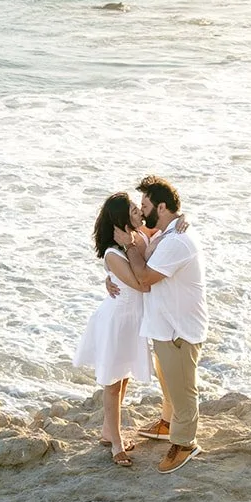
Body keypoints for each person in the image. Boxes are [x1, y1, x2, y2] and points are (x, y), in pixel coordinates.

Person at [115, 175, 206, 474]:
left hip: (179, 328)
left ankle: (185, 442)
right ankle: (169, 423)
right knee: (169, 380)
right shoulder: (165, 234)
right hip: (165, 324)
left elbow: (144, 278)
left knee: (183, 388)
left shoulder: (176, 241)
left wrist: (128, 246)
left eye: (145, 205)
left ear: (162, 207)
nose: (141, 211)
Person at [73, 192, 156, 466]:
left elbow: (164, 227)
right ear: (121, 218)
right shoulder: (112, 253)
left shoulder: (139, 235)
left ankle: (108, 432)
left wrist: (184, 221)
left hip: (134, 319)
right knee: (112, 382)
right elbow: (140, 284)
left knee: (124, 377)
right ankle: (116, 445)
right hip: (118, 320)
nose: (139, 212)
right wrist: (109, 277)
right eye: (133, 209)